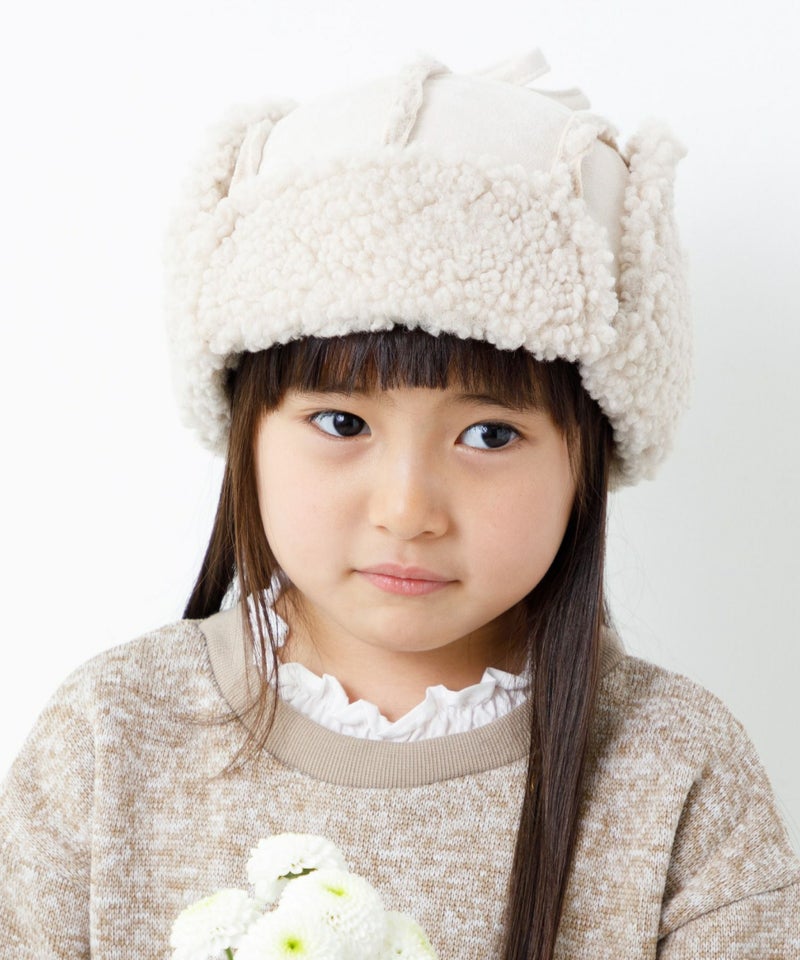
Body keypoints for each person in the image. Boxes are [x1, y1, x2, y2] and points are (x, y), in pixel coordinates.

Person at [1, 48, 797, 960]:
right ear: (245, 431)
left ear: (591, 458)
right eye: (342, 422)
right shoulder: (113, 735)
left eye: (489, 435)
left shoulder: (675, 768)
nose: (408, 509)